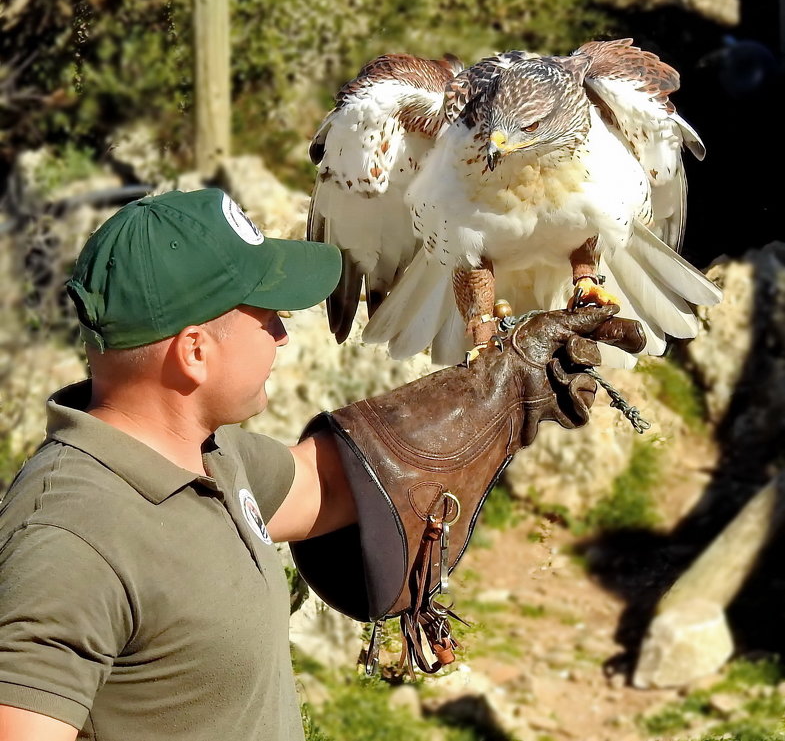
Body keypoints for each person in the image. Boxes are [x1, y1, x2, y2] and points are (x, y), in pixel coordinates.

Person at [0, 189, 642, 741]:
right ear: (194, 352)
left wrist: (502, 389)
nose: (283, 335)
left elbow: (327, 484)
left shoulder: (210, 461)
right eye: (268, 315)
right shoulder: (70, 540)